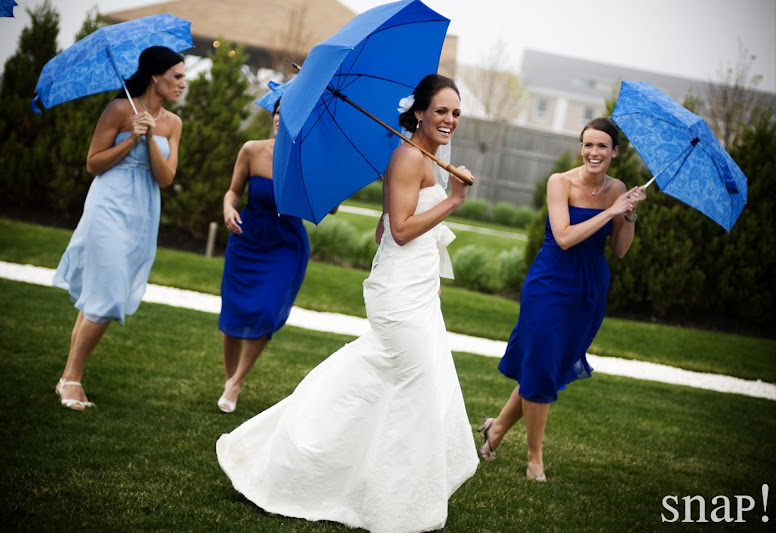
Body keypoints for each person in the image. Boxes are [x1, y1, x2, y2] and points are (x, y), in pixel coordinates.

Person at [216, 74, 478, 533]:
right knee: (415, 387)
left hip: (417, 290)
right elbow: (401, 230)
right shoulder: (407, 156)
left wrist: (428, 270)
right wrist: (453, 200)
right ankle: (385, 497)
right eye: (440, 110)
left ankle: (364, 477)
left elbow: (385, 229)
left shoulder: (425, 159)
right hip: (398, 297)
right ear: (419, 113)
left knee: (391, 381)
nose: (449, 119)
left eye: (455, 113)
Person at [478, 117, 647, 481]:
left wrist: (630, 213)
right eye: (588, 145)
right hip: (550, 282)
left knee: (547, 367)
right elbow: (565, 237)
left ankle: (496, 429)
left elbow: (619, 250)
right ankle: (535, 458)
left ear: (615, 152)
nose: (594, 152)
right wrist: (611, 211)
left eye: (602, 146)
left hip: (589, 288)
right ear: (581, 148)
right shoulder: (561, 182)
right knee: (541, 363)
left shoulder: (618, 190)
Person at [52, 46, 186, 410]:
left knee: (103, 291)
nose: (183, 84)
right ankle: (73, 380)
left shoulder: (173, 124)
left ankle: (66, 376)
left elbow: (165, 178)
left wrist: (151, 137)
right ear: (155, 77)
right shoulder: (118, 110)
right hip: (108, 203)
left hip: (143, 210)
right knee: (109, 292)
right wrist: (131, 138)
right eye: (177, 76)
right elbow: (93, 164)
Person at [216, 98, 312, 414]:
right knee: (233, 313)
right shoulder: (251, 150)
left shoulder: (306, 160)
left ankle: (237, 380)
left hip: (286, 246)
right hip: (246, 239)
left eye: (289, 113)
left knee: (268, 311)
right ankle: (229, 381)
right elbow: (233, 191)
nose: (280, 118)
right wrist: (228, 208)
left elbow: (328, 208)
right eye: (277, 112)